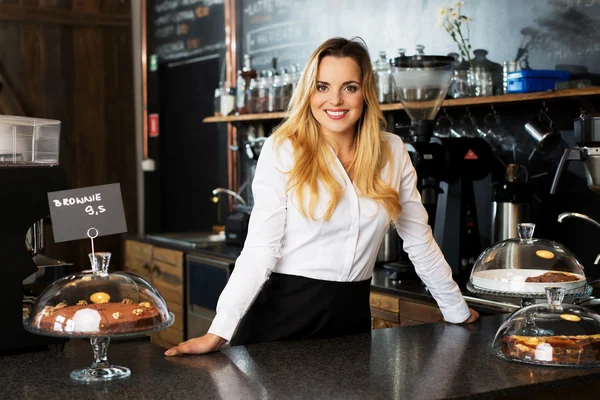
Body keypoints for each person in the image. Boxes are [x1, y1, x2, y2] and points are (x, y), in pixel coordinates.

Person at [165, 37, 479, 357]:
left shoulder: (393, 152)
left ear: (365, 92)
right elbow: (261, 250)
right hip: (280, 321)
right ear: (309, 93)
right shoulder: (283, 149)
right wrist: (218, 332)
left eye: (350, 87)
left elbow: (418, 238)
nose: (336, 100)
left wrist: (456, 309)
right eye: (323, 86)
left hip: (350, 322)